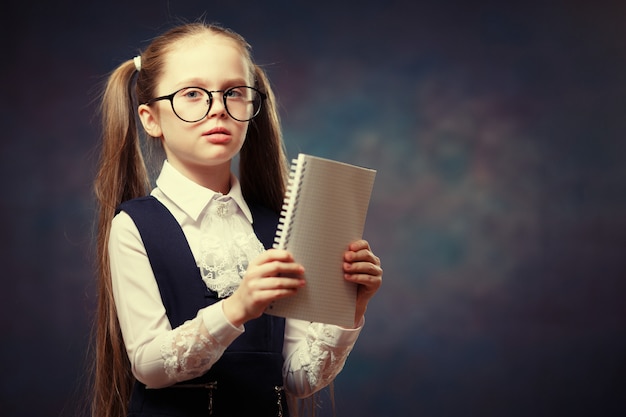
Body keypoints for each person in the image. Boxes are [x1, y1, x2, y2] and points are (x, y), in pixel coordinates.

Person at [92, 21, 382, 417]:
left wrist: (352, 308)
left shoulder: (278, 227)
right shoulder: (134, 226)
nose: (217, 109)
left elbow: (298, 377)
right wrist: (237, 308)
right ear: (150, 118)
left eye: (234, 93)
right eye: (192, 94)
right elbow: (149, 365)